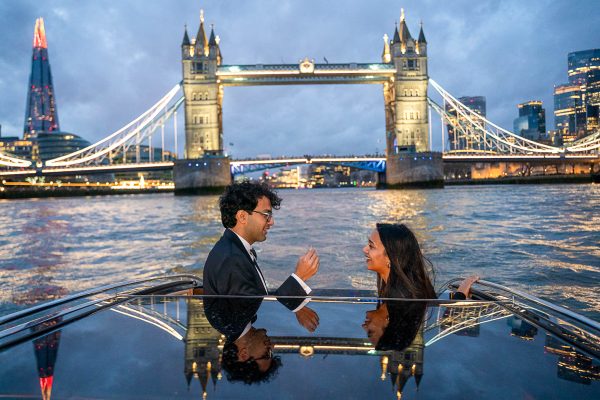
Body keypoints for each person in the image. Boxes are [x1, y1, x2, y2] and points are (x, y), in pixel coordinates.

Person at [203, 181, 320, 312]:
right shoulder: (232, 259)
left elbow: (253, 303)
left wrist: (298, 309)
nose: (272, 222)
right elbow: (260, 314)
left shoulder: (232, 248)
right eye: (266, 215)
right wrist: (299, 277)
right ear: (242, 216)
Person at [363, 223, 435, 299]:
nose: (364, 249)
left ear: (390, 256)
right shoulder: (405, 288)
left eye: (371, 246)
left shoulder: (398, 297)